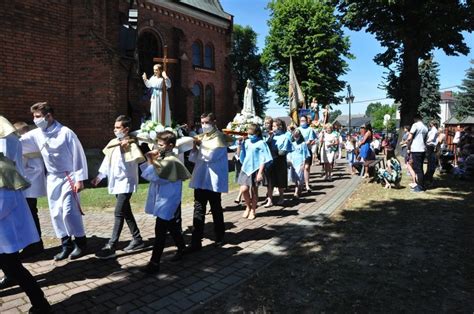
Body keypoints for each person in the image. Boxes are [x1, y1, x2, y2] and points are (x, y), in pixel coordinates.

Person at [20, 102, 88, 261]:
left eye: (38, 117)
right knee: (56, 212)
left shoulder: (66, 133)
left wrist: (80, 178)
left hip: (68, 176)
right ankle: (66, 244)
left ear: (49, 116)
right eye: (34, 117)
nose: (35, 120)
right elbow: (18, 143)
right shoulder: (36, 134)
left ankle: (80, 242)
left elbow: (78, 154)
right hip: (52, 177)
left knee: (70, 211)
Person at [0, 154, 51, 312]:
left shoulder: (2, 168)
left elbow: (6, 201)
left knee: (15, 267)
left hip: (4, 232)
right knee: (12, 267)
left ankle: (41, 304)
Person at [91, 115, 146, 259]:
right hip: (115, 182)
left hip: (126, 182)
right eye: (114, 127)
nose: (115, 130)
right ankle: (138, 239)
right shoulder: (113, 142)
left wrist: (125, 149)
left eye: (118, 127)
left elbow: (132, 162)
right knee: (125, 212)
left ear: (126, 129)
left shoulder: (131, 145)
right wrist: (100, 176)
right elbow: (107, 161)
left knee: (118, 213)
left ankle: (112, 245)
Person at [139, 131, 191, 274]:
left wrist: (150, 161)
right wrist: (152, 161)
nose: (158, 147)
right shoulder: (163, 158)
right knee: (171, 224)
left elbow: (157, 178)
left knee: (160, 229)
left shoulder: (171, 161)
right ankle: (182, 247)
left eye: (161, 145)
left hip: (169, 198)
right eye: (157, 144)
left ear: (170, 146)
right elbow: (153, 174)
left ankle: (154, 263)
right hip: (163, 196)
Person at [186, 113, 232, 253]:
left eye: (206, 122)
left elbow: (210, 157)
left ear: (214, 122)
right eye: (202, 123)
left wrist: (200, 145)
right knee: (198, 209)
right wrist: (194, 148)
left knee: (216, 208)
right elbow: (194, 159)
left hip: (213, 180)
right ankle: (196, 241)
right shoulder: (202, 137)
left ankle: (220, 236)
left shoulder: (220, 137)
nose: (204, 125)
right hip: (200, 178)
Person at [14, 121, 46, 258]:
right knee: (29, 214)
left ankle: (35, 245)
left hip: (28, 187)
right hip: (26, 186)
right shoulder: (27, 145)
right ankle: (33, 243)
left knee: (30, 215)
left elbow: (36, 168)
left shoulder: (27, 146)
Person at [237, 124, 272, 219]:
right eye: (248, 133)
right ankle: (248, 206)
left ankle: (253, 209)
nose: (249, 135)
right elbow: (240, 154)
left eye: (251, 133)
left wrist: (260, 173)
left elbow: (264, 158)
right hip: (246, 168)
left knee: (254, 190)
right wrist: (240, 144)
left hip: (256, 169)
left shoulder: (261, 143)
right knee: (244, 189)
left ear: (256, 133)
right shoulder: (247, 142)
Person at [265, 118, 292, 207]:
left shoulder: (285, 136)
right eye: (272, 126)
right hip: (270, 161)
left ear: (280, 127)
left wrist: (280, 150)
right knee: (270, 182)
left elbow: (283, 151)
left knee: (280, 181)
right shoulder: (270, 136)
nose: (273, 128)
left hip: (280, 160)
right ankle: (269, 200)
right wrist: (269, 137)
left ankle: (281, 197)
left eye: (275, 126)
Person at [406, 114, 428, 192]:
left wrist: (406, 142)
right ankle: (421, 185)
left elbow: (410, 137)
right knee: (420, 168)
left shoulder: (415, 125)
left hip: (416, 149)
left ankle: (419, 187)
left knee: (417, 169)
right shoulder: (425, 127)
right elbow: (425, 140)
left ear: (416, 118)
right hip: (422, 149)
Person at [288, 129, 310, 198]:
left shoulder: (303, 144)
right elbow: (289, 153)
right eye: (294, 136)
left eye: (297, 136)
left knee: (299, 177)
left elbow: (305, 154)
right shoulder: (291, 144)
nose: (296, 137)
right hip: (293, 162)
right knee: (295, 178)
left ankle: (297, 192)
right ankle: (298, 190)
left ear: (300, 135)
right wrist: (289, 161)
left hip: (300, 162)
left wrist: (303, 163)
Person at [298, 115, 317, 191]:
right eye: (301, 121)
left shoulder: (310, 129)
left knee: (307, 167)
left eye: (304, 121)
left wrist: (304, 144)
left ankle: (307, 184)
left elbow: (310, 140)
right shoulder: (298, 129)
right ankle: (300, 184)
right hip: (299, 152)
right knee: (300, 168)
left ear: (306, 121)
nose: (302, 122)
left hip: (307, 150)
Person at [424, 120, 438, 187]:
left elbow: (431, 138)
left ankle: (429, 179)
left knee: (430, 162)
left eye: (431, 123)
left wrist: (427, 141)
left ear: (433, 124)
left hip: (430, 146)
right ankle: (427, 178)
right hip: (429, 146)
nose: (430, 124)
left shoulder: (434, 130)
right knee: (429, 162)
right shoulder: (432, 129)